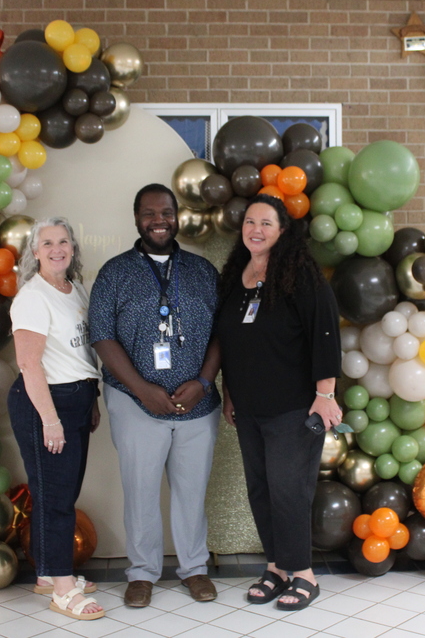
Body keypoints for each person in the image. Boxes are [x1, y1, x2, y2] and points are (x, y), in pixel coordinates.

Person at [89, 184, 222, 608]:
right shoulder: (115, 272)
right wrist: (142, 389)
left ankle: (194, 569)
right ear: (136, 219)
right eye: (149, 213)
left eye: (166, 211)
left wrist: (202, 382)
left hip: (198, 404)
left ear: (177, 216)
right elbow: (102, 336)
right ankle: (142, 572)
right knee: (141, 490)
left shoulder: (203, 271)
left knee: (191, 490)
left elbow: (223, 334)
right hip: (134, 403)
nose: (159, 219)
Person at [215, 194, 342, 611]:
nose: (256, 229)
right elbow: (232, 342)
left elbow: (326, 334)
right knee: (261, 490)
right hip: (249, 407)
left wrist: (325, 395)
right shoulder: (237, 275)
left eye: (266, 223)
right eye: (250, 222)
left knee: (290, 490)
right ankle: (276, 567)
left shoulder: (301, 277)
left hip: (294, 407)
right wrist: (230, 394)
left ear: (283, 231)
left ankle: (302, 573)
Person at [7, 217, 104, 621]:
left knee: (62, 492)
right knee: (56, 497)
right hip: (45, 404)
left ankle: (48, 572)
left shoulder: (73, 288)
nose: (57, 249)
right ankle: (63, 589)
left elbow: (80, 354)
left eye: (63, 241)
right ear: (34, 252)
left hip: (76, 400)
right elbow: (29, 364)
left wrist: (92, 399)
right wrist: (50, 420)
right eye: (47, 243)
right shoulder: (32, 297)